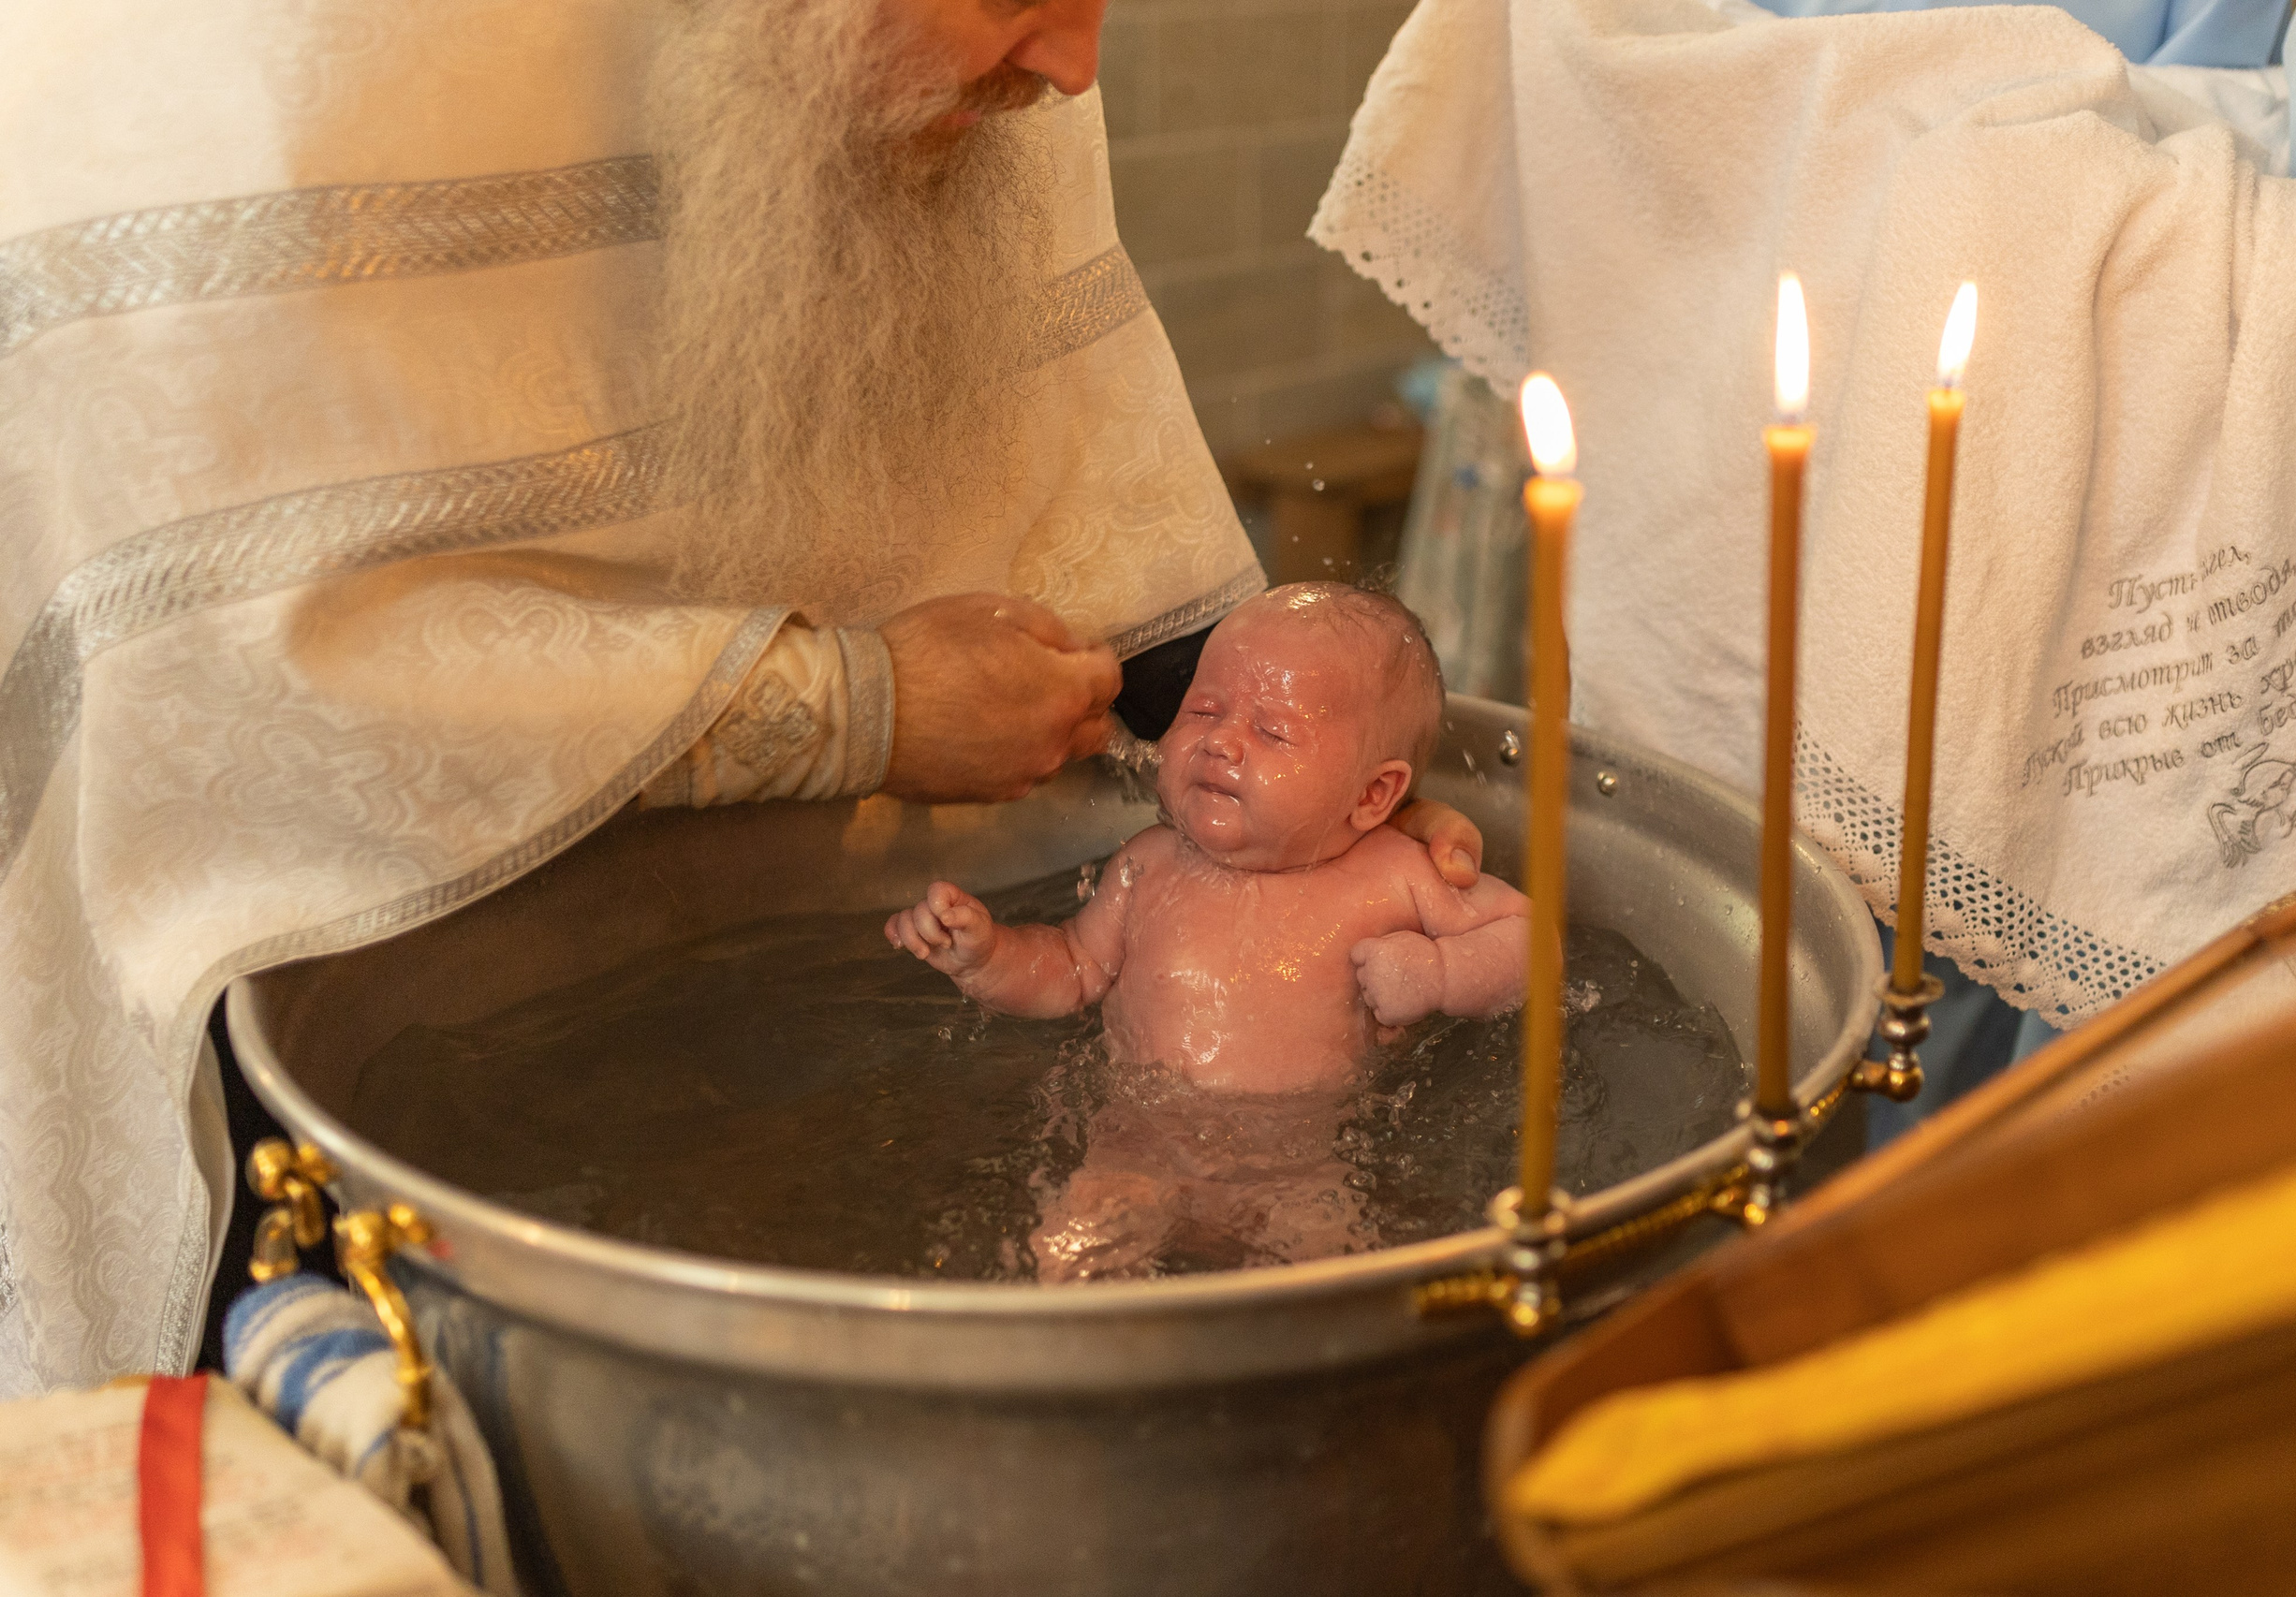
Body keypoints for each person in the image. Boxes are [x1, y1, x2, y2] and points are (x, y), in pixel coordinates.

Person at [0, 0, 1484, 1396]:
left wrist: (1334, 795)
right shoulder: (272, 86)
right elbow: (229, 696)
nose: (1077, 63)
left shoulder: (986, 66)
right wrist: (854, 702)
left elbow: (1088, 493)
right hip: (398, 1019)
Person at [888, 585, 1530, 1281]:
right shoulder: (1148, 865)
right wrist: (986, 956)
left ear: (1373, 795)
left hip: (1295, 1170)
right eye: (1203, 710)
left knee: (1334, 1290)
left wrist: (1438, 973)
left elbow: (1533, 945)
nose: (1221, 741)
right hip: (1133, 1153)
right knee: (1059, 1270)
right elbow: (1071, 968)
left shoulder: (1395, 878)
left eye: (1273, 731)